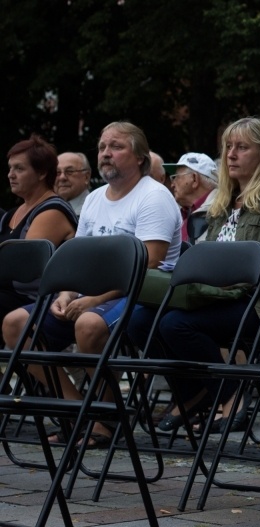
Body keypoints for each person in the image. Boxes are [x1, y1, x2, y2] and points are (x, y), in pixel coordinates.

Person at [2, 121, 182, 447]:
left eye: (116, 146)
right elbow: (76, 259)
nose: (106, 153)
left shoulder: (154, 197)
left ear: (140, 157)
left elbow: (149, 262)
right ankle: (78, 410)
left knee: (87, 324)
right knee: (15, 324)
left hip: (141, 291)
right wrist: (66, 292)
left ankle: (104, 419)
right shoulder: (97, 198)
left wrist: (93, 299)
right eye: (102, 147)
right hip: (91, 294)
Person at [127, 117, 260, 433]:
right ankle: (193, 391)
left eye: (242, 147)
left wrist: (231, 281)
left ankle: (229, 392)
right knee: (139, 321)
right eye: (228, 148)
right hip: (214, 295)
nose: (231, 155)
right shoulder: (222, 202)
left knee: (176, 324)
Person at [1, 135, 78, 342]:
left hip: (40, 299)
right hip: (10, 295)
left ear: (42, 173)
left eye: (19, 168)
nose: (11, 175)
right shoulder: (11, 214)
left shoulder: (52, 210)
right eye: (10, 168)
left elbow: (20, 267)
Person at [164, 152, 219, 244]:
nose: (172, 184)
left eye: (176, 177)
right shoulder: (178, 211)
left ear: (194, 179)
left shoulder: (221, 211)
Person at [54, 152, 92, 217]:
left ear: (86, 177)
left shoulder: (96, 210)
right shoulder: (46, 210)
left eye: (69, 171)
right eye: (57, 172)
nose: (62, 177)